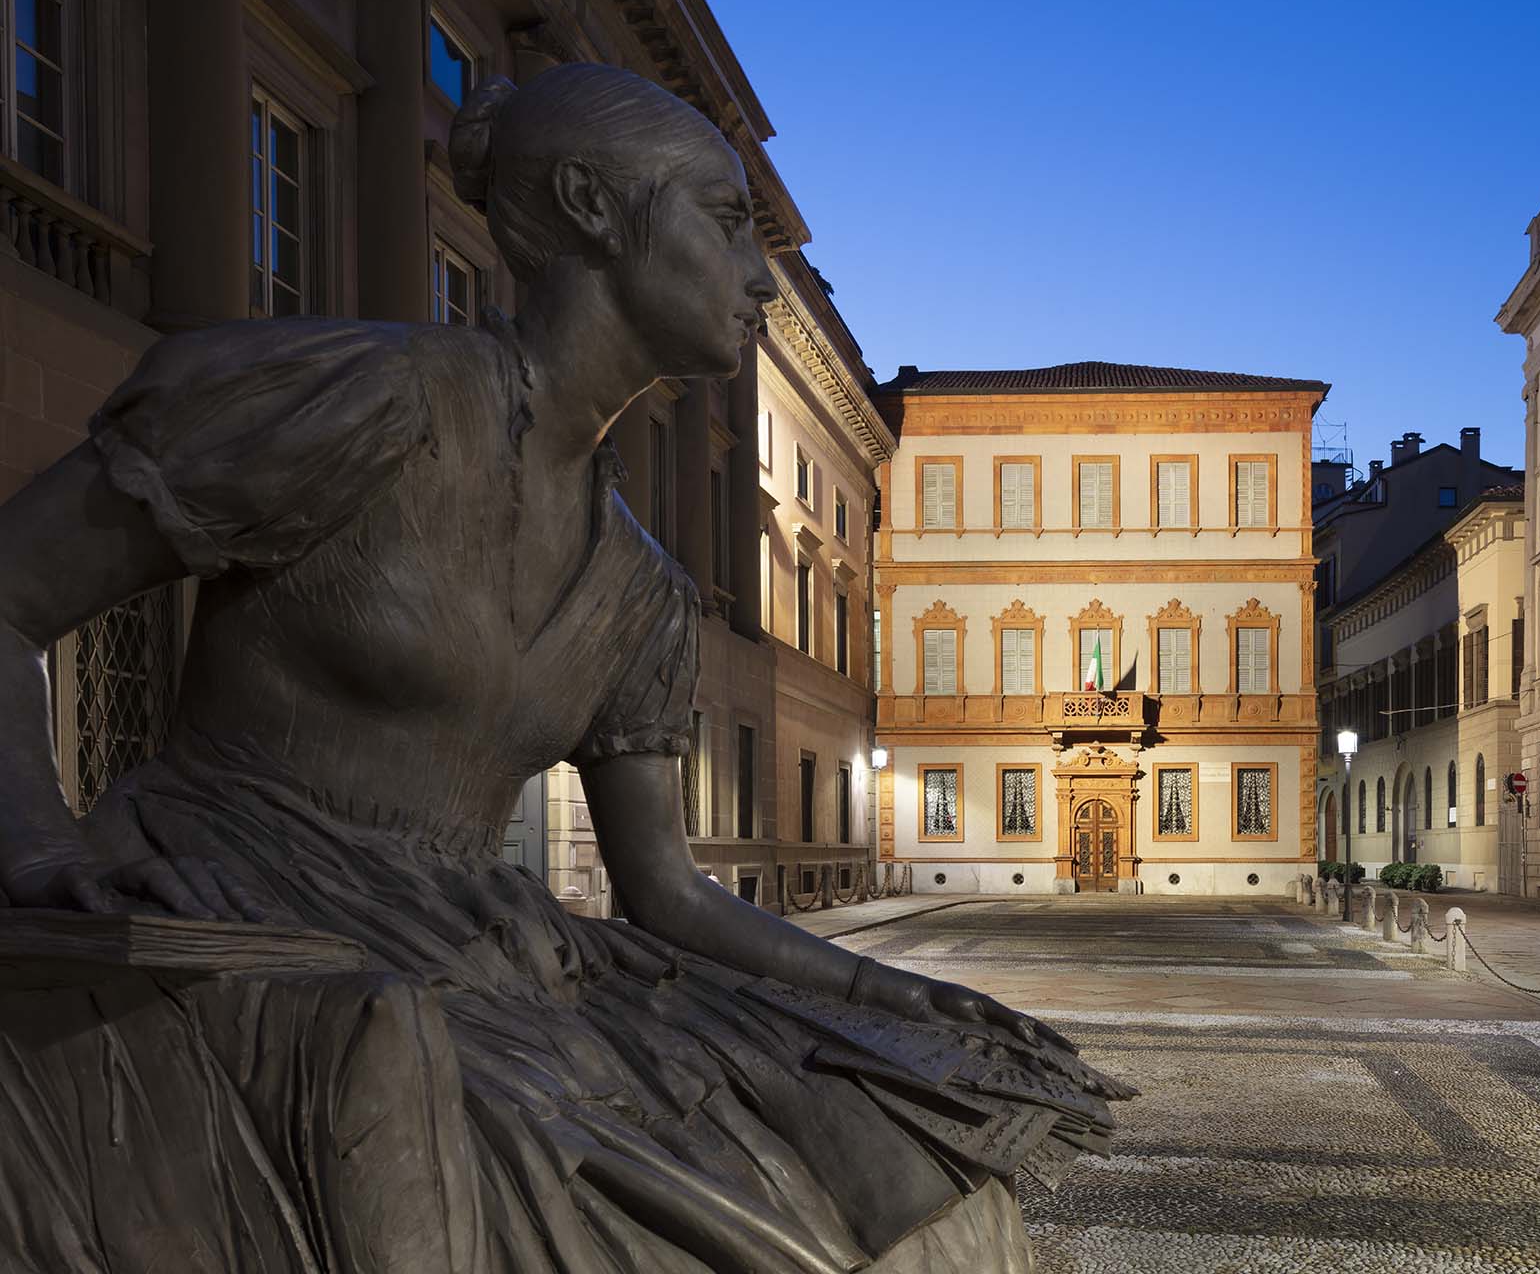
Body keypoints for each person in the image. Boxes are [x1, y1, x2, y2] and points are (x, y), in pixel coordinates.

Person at [0, 64, 1125, 1274]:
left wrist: (900, 995)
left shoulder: (642, 588)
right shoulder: (366, 402)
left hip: (476, 939)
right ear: (593, 205)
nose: (758, 279)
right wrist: (37, 844)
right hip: (242, 907)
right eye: (727, 221)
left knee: (896, 1157)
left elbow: (668, 893)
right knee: (514, 1161)